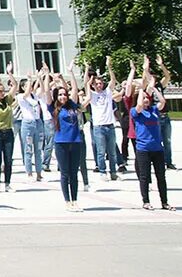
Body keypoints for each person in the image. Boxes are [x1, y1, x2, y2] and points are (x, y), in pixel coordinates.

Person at [129, 61, 173, 211]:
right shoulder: (136, 111)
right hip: (143, 149)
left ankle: (164, 202)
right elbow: (140, 105)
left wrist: (153, 89)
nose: (147, 100)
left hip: (157, 149)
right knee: (144, 176)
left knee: (161, 177)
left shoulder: (154, 110)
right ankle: (146, 201)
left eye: (148, 98)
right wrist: (142, 89)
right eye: (145, 98)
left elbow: (163, 102)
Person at [48, 76, 87, 211]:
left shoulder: (72, 106)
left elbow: (75, 89)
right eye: (60, 95)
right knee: (65, 173)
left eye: (64, 94)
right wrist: (46, 77)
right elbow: (47, 92)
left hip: (75, 142)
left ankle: (75, 200)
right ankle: (67, 201)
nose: (63, 97)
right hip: (61, 143)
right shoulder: (53, 107)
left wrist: (70, 73)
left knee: (74, 173)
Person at [86, 61, 123, 182]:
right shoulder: (92, 95)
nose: (99, 85)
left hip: (110, 126)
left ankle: (113, 172)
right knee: (101, 151)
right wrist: (88, 70)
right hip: (99, 127)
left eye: (100, 83)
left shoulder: (107, 93)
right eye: (96, 84)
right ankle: (102, 171)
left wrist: (109, 66)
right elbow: (86, 84)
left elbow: (113, 80)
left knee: (112, 152)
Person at [16, 74, 46, 182]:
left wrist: (40, 78)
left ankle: (39, 173)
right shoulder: (21, 97)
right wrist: (29, 79)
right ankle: (29, 172)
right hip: (27, 123)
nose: (30, 87)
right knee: (28, 149)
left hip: (38, 123)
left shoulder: (34, 96)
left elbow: (42, 90)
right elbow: (26, 93)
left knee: (38, 149)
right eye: (27, 85)